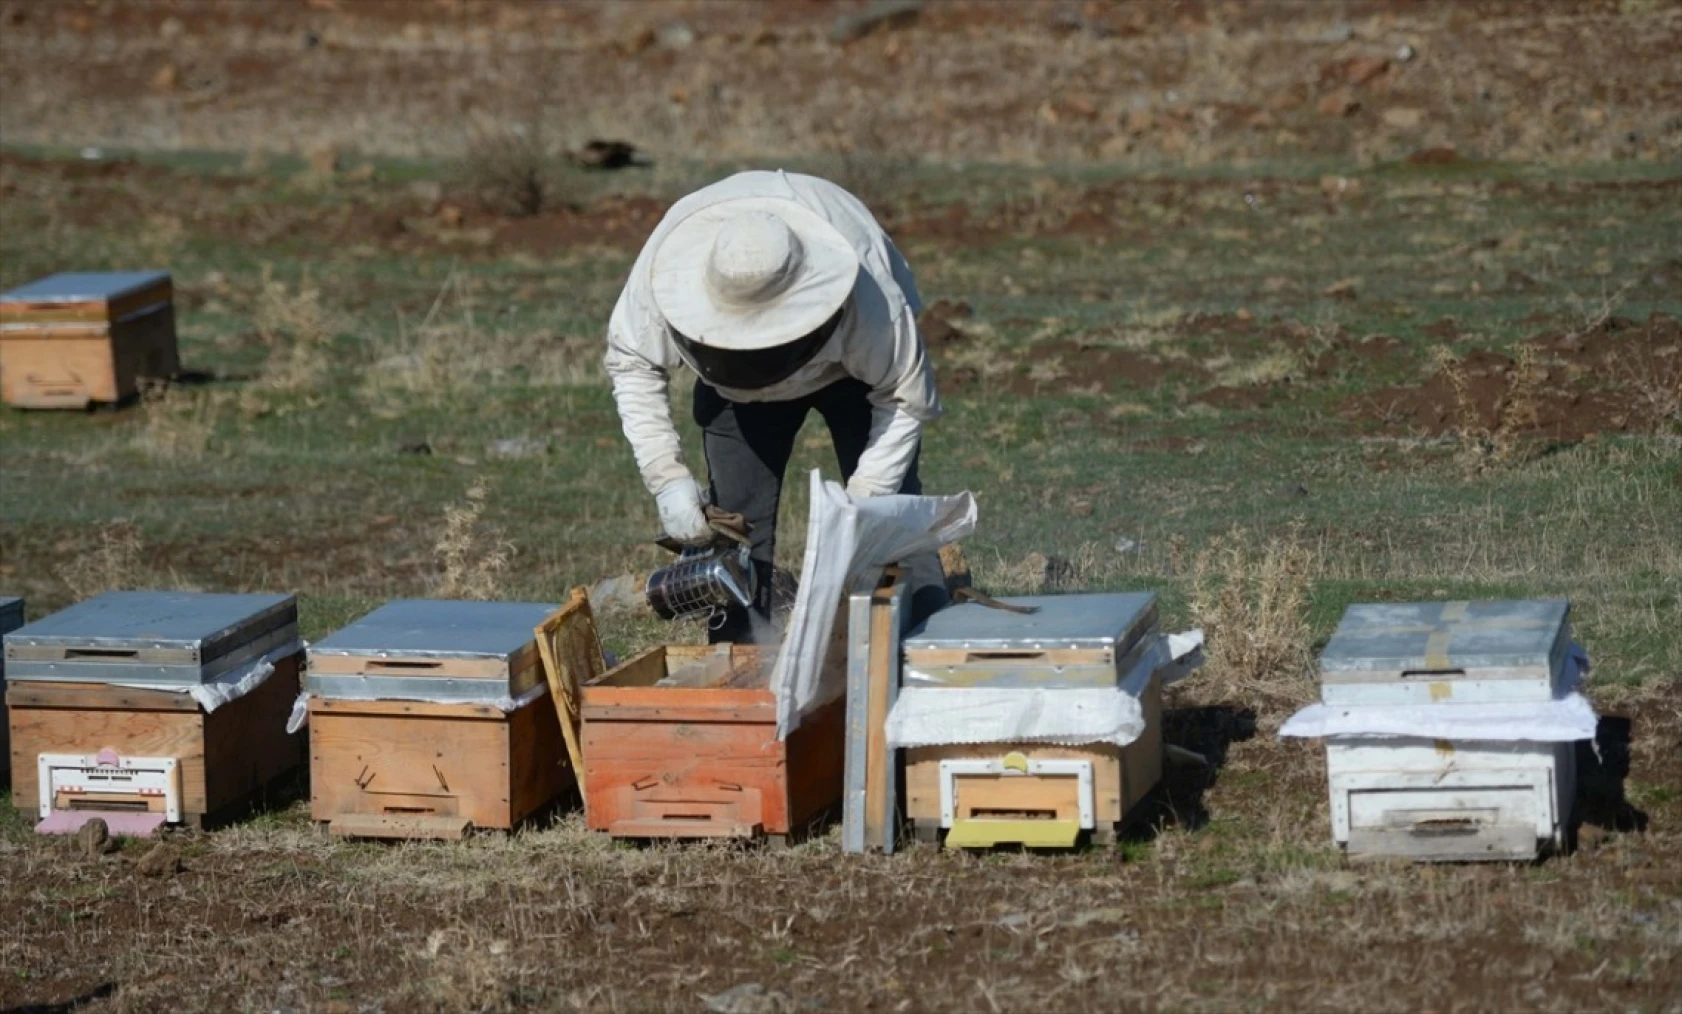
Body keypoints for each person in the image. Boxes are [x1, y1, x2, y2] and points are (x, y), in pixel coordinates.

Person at [605, 169, 945, 642]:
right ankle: (743, 653)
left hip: (852, 376)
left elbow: (904, 398)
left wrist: (867, 497)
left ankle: (925, 636)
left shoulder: (872, 301)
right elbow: (633, 364)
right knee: (736, 529)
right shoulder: (663, 272)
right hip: (733, 398)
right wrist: (667, 479)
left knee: (891, 519)